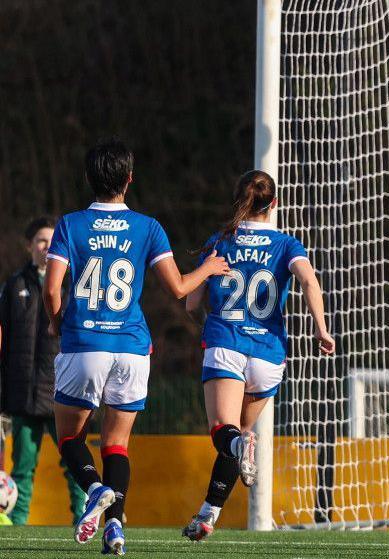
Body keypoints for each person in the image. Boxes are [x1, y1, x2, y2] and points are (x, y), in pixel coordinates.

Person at [43, 140, 230, 555]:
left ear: (88, 178)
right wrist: (208, 268)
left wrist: (57, 324)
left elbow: (52, 288)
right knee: (116, 444)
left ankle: (94, 488)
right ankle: (115, 529)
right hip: (131, 348)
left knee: (70, 437)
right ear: (129, 179)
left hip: (84, 344)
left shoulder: (70, 225)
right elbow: (178, 287)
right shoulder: (148, 227)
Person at [181, 170, 335, 541]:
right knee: (238, 435)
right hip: (268, 354)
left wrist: (205, 316)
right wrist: (321, 328)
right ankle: (207, 515)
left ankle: (237, 452)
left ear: (238, 200)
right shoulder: (287, 244)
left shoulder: (221, 240)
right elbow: (308, 281)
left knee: (226, 435)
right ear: (274, 204)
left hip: (227, 344)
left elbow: (191, 303)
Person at [0, 217, 86, 526]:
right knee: (23, 467)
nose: (47, 246)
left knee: (74, 464)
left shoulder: (73, 285)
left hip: (63, 391)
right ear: (29, 246)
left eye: (52, 241)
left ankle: (83, 519)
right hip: (23, 394)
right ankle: (18, 523)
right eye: (40, 240)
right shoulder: (14, 285)